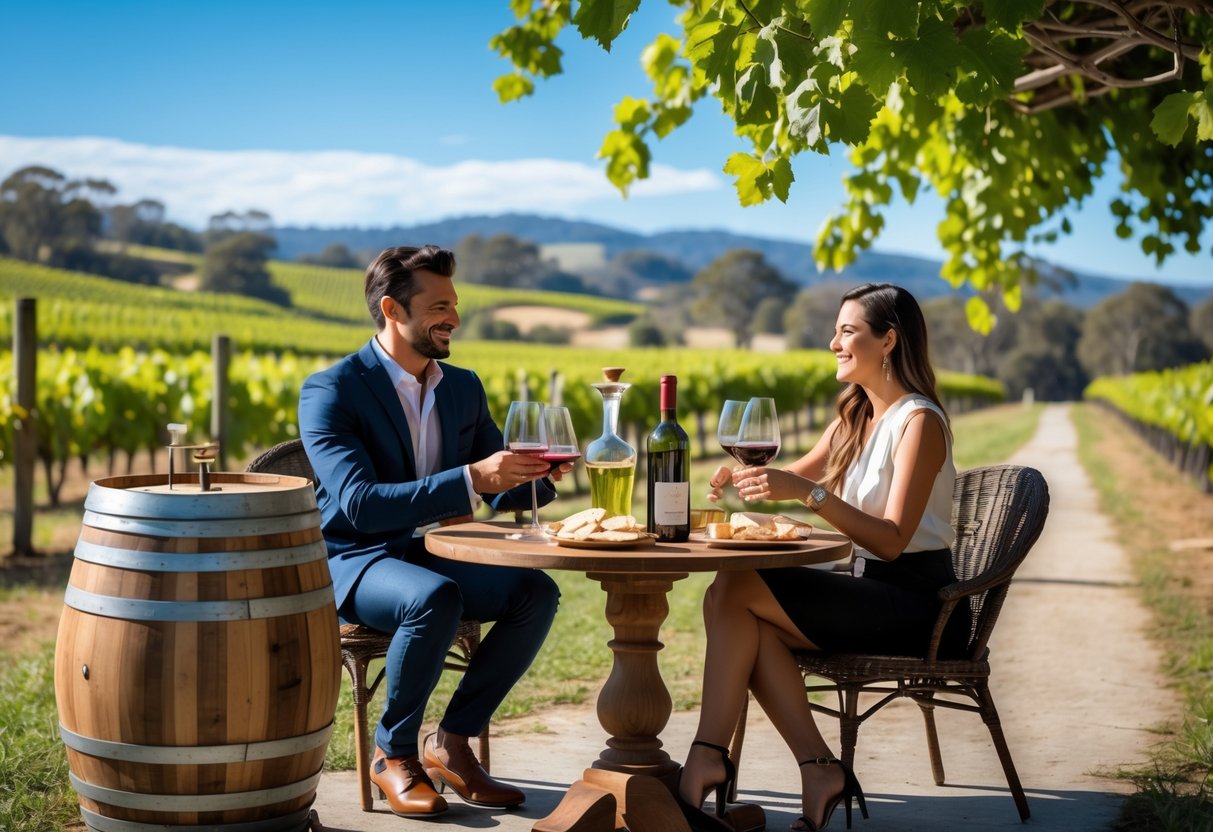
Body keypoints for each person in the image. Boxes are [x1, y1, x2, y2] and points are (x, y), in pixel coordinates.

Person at [678, 283, 965, 832]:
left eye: (848, 331)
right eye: (835, 330)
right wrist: (737, 477)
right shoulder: (855, 418)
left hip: (916, 604)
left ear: (888, 341)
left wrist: (807, 495)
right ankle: (818, 771)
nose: (833, 342)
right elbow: (784, 479)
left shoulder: (918, 422)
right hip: (864, 588)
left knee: (735, 591)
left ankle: (708, 759)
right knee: (736, 603)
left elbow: (888, 540)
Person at [299, 245, 568, 819]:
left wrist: (540, 477)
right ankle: (392, 753)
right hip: (357, 558)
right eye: (439, 305)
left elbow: (497, 487)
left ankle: (451, 741)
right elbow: (360, 506)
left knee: (535, 591)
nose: (454, 318)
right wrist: (474, 476)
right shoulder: (332, 390)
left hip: (435, 550)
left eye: (455, 303)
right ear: (393, 309)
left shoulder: (463, 387)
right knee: (433, 599)